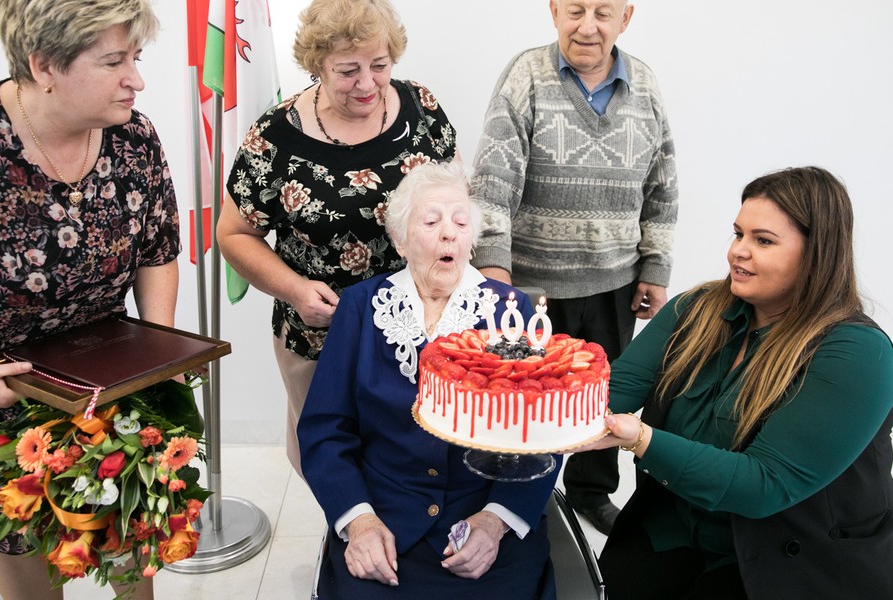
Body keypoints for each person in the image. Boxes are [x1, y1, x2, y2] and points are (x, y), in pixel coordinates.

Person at [572, 167, 893, 598]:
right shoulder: (696, 308)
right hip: (672, 529)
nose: (738, 252)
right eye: (738, 234)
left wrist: (642, 438)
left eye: (763, 240)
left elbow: (764, 485)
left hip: (787, 562)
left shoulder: (858, 351)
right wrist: (528, 397)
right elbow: (608, 392)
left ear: (817, 252)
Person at [216, 0, 458, 479]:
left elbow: (455, 205)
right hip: (318, 337)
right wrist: (293, 290)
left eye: (380, 65)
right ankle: (345, 539)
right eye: (347, 70)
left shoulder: (422, 110)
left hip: (418, 333)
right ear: (317, 65)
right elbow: (234, 233)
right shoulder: (275, 134)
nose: (367, 83)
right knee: (332, 463)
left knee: (413, 463)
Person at [298, 162, 560, 599]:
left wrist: (496, 521)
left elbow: (543, 433)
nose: (449, 233)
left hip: (482, 516)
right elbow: (325, 430)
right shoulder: (361, 306)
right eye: (431, 220)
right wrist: (358, 520)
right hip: (384, 519)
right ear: (400, 239)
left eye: (460, 222)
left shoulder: (511, 311)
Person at [469, 0, 678, 534]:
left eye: (603, 12)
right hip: (532, 283)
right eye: (576, 9)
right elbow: (493, 177)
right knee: (523, 395)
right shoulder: (527, 76)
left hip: (616, 280)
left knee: (601, 396)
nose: (588, 26)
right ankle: (513, 501)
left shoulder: (646, 86)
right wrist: (494, 265)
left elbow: (662, 185)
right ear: (554, 11)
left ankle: (590, 492)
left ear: (626, 18)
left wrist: (655, 264)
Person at [0, 1, 179, 598]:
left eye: (137, 58)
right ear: (43, 65)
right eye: (113, 62)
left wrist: (160, 358)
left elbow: (157, 251)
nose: (137, 79)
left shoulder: (134, 138)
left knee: (132, 560)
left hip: (115, 385)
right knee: (35, 577)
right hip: (4, 399)